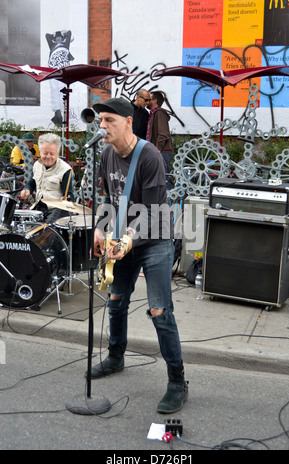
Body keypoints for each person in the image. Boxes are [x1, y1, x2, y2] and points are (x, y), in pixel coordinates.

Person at [91, 97, 188, 414]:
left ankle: (177, 382)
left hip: (155, 240)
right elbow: (108, 198)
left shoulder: (149, 157)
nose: (102, 126)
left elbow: (151, 212)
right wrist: (100, 229)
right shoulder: (106, 153)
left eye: (109, 120)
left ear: (128, 122)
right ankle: (116, 356)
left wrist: (129, 240)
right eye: (100, 120)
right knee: (115, 301)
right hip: (122, 238)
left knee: (160, 311)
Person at [20, 133, 74, 224]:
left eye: (52, 154)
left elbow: (69, 195)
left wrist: (67, 200)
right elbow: (32, 182)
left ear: (57, 153)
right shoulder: (37, 165)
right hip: (38, 206)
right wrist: (27, 189)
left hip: (56, 209)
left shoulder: (65, 169)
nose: (48, 157)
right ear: (40, 152)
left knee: (46, 232)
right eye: (45, 153)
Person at [146, 91, 174, 190]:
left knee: (164, 179)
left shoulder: (159, 114)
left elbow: (163, 133)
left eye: (149, 99)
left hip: (162, 151)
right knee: (159, 178)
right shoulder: (153, 114)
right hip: (158, 151)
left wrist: (157, 149)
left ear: (155, 101)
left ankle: (168, 201)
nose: (147, 101)